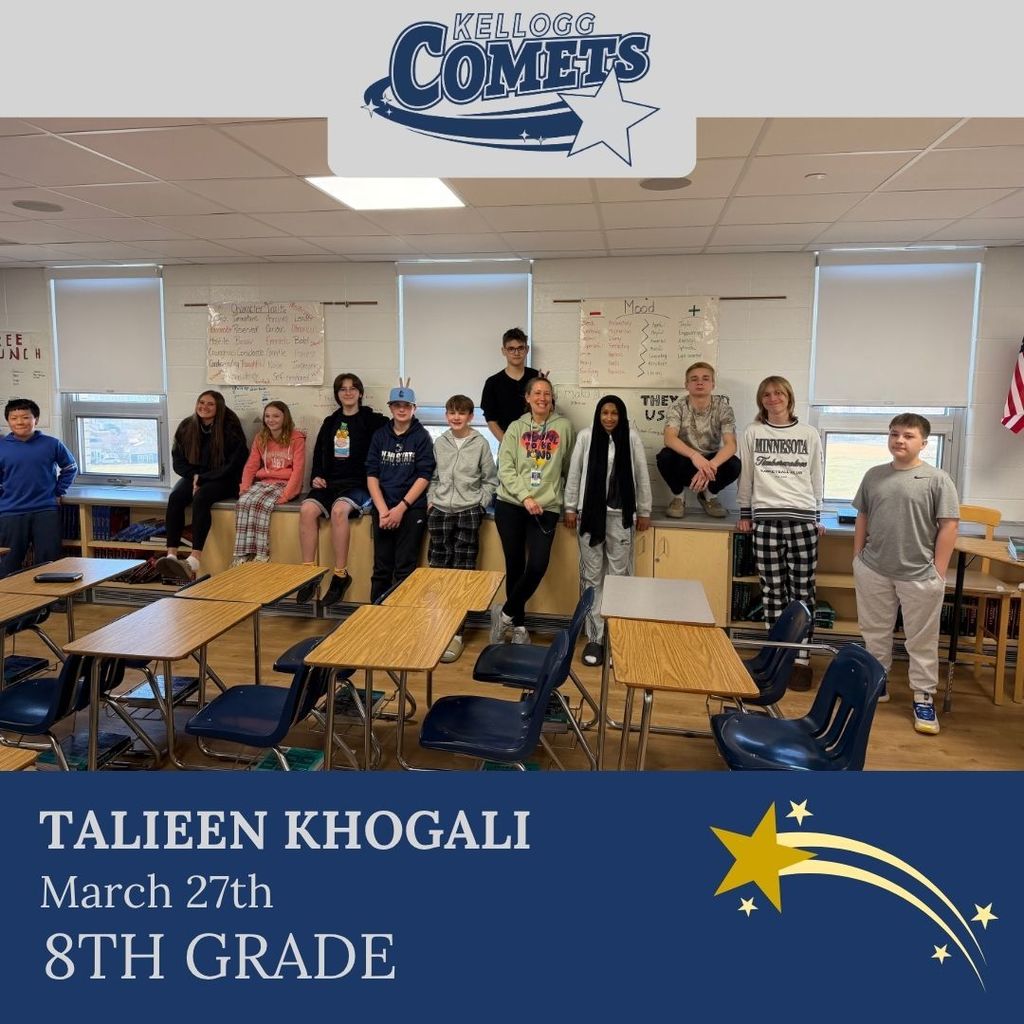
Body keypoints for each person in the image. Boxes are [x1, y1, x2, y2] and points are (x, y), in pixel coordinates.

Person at [852, 413, 959, 736]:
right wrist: (858, 558)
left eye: (908, 436)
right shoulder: (873, 476)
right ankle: (877, 684)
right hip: (874, 569)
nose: (899, 440)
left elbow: (949, 525)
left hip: (919, 575)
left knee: (921, 640)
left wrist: (938, 571)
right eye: (894, 434)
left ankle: (923, 696)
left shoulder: (937, 479)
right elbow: (863, 515)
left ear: (923, 443)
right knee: (874, 632)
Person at [736, 376, 824, 690]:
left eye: (779, 393)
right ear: (761, 400)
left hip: (801, 520)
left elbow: (816, 475)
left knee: (802, 592)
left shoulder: (809, 434)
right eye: (767, 394)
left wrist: (817, 515)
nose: (774, 399)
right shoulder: (753, 432)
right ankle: (777, 653)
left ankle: (801, 656)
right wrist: (745, 512)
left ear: (789, 397)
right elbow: (746, 475)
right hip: (766, 520)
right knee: (773, 591)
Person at [564, 394, 652, 667]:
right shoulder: (586, 436)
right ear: (598, 415)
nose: (610, 418)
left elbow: (640, 473)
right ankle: (595, 638)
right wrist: (569, 506)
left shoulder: (632, 438)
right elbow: (575, 472)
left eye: (614, 413)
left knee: (619, 577)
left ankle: (618, 637)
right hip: (590, 516)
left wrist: (644, 510)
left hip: (620, 516)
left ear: (621, 415)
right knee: (592, 578)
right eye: (605, 413)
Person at [492, 376, 575, 645]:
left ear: (552, 398)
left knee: (537, 565)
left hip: (546, 507)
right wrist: (525, 496)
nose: (542, 397)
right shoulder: (516, 428)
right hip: (511, 505)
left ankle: (504, 614)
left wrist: (561, 499)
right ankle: (518, 626)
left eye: (547, 393)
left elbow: (568, 467)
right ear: (527, 398)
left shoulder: (564, 427)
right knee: (515, 565)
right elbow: (505, 469)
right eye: (536, 393)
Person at [295, 373, 387, 606]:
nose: (348, 392)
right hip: (331, 482)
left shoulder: (372, 420)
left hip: (359, 484)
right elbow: (318, 452)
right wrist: (316, 476)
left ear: (360, 392)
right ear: (337, 394)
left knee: (338, 511)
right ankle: (308, 574)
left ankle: (340, 575)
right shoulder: (330, 422)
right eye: (343, 389)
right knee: (306, 509)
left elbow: (395, 427)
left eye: (352, 388)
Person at [427, 394, 498, 662]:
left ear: (471, 416)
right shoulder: (440, 442)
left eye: (462, 413)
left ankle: (457, 631)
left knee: (463, 572)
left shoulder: (480, 444)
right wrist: (432, 499)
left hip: (469, 511)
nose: (456, 417)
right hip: (441, 510)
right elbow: (433, 476)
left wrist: (480, 504)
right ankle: (437, 625)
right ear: (446, 415)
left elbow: (490, 480)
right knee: (438, 570)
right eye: (452, 412)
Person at [157, 390, 247, 581]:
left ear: (219, 407)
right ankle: (171, 554)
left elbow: (234, 464)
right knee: (175, 497)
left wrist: (204, 479)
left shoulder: (230, 427)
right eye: (201, 402)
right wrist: (196, 476)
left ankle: (195, 557)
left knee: (201, 497)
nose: (204, 407)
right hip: (195, 476)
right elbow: (178, 462)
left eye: (210, 404)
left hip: (224, 478)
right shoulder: (187, 426)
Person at [365, 383, 436, 602]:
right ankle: (375, 618)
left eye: (406, 405)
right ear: (390, 407)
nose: (402, 409)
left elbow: (424, 476)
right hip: (383, 508)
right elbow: (372, 475)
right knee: (381, 569)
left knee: (405, 569)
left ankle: (401, 619)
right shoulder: (379, 435)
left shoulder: (422, 436)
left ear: (414, 408)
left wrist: (401, 508)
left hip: (411, 509)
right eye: (397, 405)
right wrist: (384, 510)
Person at [0, 398, 77, 576]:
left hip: (45, 510)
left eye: (26, 417)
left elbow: (70, 468)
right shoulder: (2, 447)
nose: (20, 422)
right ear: (8, 421)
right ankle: (9, 603)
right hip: (10, 513)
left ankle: (51, 603)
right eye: (14, 418)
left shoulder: (52, 444)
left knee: (49, 561)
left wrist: (59, 491)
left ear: (36, 419)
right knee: (8, 561)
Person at [656, 361, 740, 518]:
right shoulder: (677, 407)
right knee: (665, 456)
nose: (700, 382)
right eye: (694, 379)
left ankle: (708, 495)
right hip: (686, 461)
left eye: (705, 378)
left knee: (735, 464)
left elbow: (731, 445)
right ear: (686, 384)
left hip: (710, 464)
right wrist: (695, 456)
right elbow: (669, 438)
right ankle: (679, 497)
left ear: (713, 384)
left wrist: (710, 466)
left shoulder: (724, 408)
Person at [231, 401, 306, 566]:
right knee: (243, 502)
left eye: (276, 416)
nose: (271, 420)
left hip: (284, 484)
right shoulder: (261, 437)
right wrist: (244, 487)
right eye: (267, 416)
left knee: (261, 505)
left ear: (285, 417)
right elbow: (251, 465)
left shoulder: (296, 438)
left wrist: (288, 495)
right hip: (264, 482)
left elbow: (298, 469)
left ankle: (261, 553)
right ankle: (241, 552)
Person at [480, 327, 540, 442]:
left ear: (527, 349)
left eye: (520, 348)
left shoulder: (537, 378)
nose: (516, 353)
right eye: (511, 349)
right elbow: (491, 419)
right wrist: (507, 443)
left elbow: (550, 410)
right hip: (506, 443)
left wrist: (544, 389)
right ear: (504, 351)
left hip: (536, 443)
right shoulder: (493, 383)